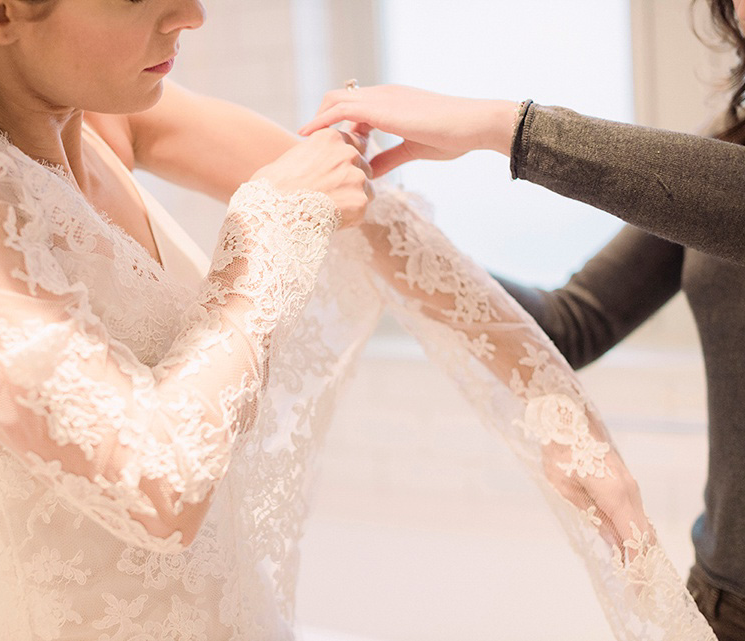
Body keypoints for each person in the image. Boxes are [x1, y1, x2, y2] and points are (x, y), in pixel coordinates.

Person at [0, 0, 717, 639]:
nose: (192, 15)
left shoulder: (106, 117)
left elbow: (379, 223)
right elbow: (154, 486)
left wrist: (559, 421)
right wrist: (261, 241)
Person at [298, 1, 745, 639]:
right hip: (722, 599)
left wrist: (500, 126)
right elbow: (570, 323)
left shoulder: (719, 180)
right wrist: (394, 231)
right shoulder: (725, 144)